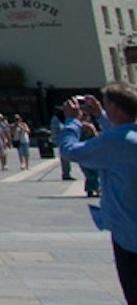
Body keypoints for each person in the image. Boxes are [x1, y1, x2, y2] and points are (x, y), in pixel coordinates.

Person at [56, 85, 137, 305]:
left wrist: (72, 121)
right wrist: (100, 115)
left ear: (118, 109)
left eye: (108, 104)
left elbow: (70, 151)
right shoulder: (130, 137)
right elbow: (122, 133)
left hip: (129, 235)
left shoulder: (114, 142)